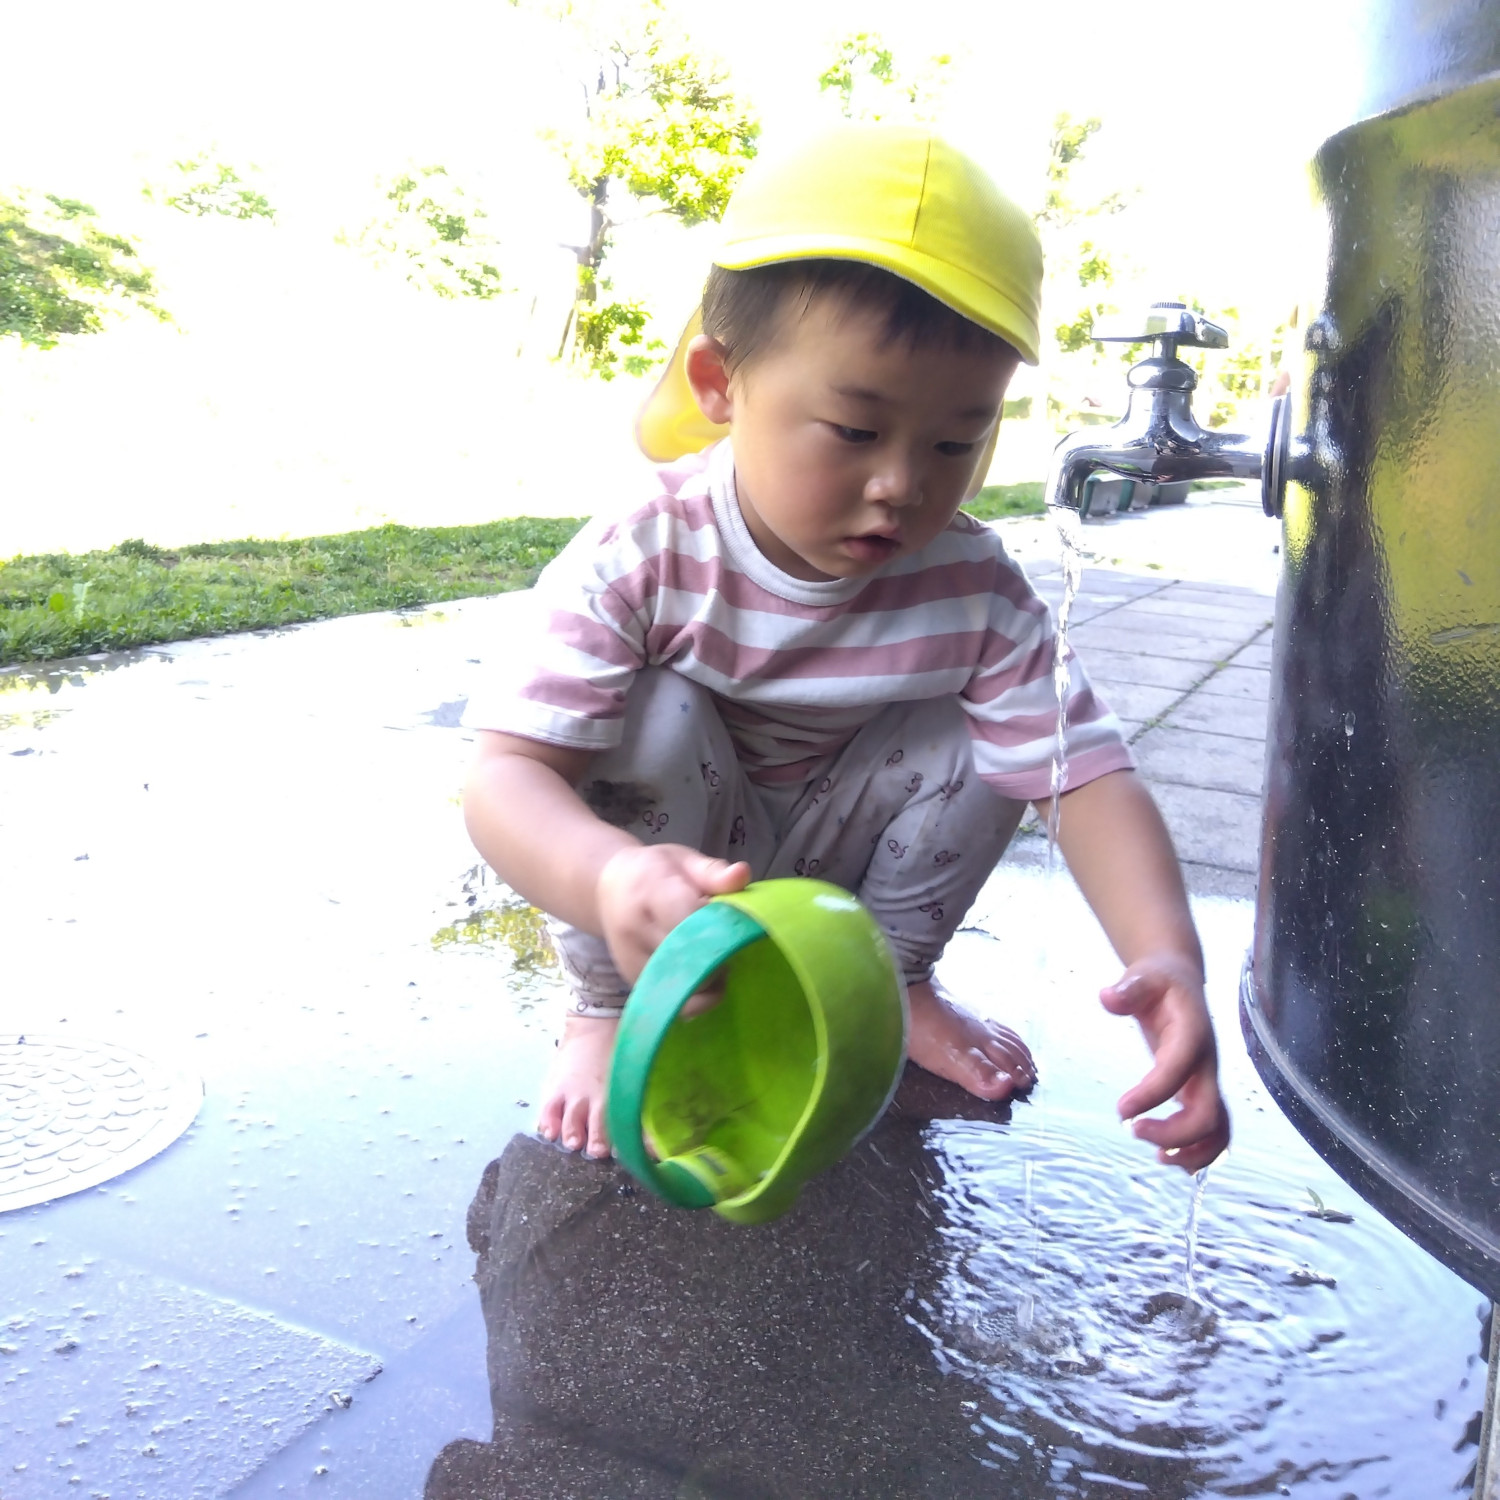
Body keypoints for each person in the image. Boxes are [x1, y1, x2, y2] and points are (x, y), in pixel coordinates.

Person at [461, 126, 1230, 1172]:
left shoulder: (971, 587)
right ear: (721, 385)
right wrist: (605, 879)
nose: (904, 483)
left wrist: (1167, 957)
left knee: (994, 735)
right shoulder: (648, 549)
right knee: (649, 713)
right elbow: (506, 778)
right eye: (857, 431)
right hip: (670, 854)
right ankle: (610, 1008)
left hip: (847, 840)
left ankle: (889, 978)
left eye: (958, 441)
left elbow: (1082, 777)